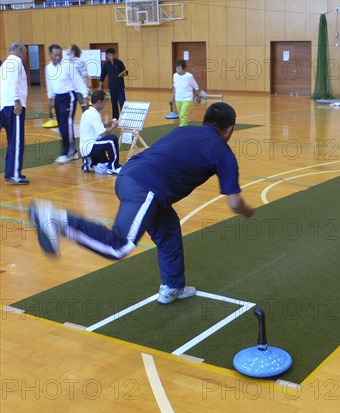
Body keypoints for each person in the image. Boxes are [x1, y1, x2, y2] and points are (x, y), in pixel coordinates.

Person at [29, 102, 255, 304]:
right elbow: (234, 203)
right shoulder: (222, 152)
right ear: (229, 130)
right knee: (119, 245)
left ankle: (174, 286)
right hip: (146, 188)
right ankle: (58, 220)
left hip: (130, 176)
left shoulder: (185, 130)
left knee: (168, 230)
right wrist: (247, 211)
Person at [45, 44, 89, 164]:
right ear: (50, 55)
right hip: (58, 98)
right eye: (55, 55)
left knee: (66, 125)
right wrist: (50, 99)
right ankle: (73, 152)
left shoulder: (68, 66)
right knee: (62, 126)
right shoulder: (48, 68)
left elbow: (78, 81)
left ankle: (67, 153)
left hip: (69, 97)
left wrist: (85, 95)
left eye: (60, 55)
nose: (58, 57)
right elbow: (50, 84)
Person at [1, 42, 29, 184]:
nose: (25, 56)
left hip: (4, 106)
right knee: (16, 140)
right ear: (19, 50)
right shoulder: (16, 61)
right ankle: (14, 174)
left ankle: (10, 172)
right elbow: (13, 82)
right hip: (14, 107)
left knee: (12, 140)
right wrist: (16, 100)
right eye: (24, 52)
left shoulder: (5, 63)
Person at [79, 91, 121, 175]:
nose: (106, 103)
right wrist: (113, 127)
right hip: (90, 146)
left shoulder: (88, 112)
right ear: (99, 102)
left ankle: (90, 162)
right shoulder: (94, 114)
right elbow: (103, 134)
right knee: (112, 140)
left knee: (103, 163)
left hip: (86, 146)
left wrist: (107, 124)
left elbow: (96, 128)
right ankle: (113, 167)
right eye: (105, 101)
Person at [99, 47, 128, 120]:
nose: (111, 57)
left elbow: (126, 72)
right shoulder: (106, 65)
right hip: (112, 87)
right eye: (109, 55)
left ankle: (124, 118)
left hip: (120, 87)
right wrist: (100, 86)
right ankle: (115, 119)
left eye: (112, 55)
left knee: (123, 103)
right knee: (114, 104)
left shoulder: (119, 62)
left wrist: (123, 74)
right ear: (107, 56)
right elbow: (103, 76)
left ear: (114, 55)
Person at [171, 59, 201, 127]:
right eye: (177, 68)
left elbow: (196, 87)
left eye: (180, 68)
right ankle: (184, 127)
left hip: (187, 98)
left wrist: (198, 96)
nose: (178, 70)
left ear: (184, 68)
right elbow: (175, 87)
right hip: (178, 98)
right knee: (181, 115)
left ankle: (182, 129)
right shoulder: (175, 75)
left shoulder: (189, 76)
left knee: (183, 114)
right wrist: (172, 98)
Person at [68, 44, 90, 112]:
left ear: (72, 51)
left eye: (69, 48)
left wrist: (85, 90)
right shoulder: (66, 62)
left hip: (79, 90)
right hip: (70, 90)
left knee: (85, 109)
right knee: (69, 110)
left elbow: (84, 76)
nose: (67, 49)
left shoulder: (80, 62)